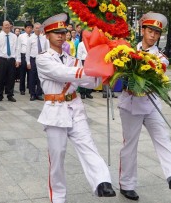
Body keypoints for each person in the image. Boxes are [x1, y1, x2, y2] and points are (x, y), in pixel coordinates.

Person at [36, 13, 115, 203]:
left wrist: (108, 72)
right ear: (47, 35)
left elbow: (88, 81)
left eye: (63, 32)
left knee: (88, 146)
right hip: (55, 111)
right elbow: (63, 74)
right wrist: (93, 71)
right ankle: (58, 198)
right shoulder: (43, 59)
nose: (61, 36)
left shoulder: (71, 58)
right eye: (56, 33)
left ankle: (102, 182)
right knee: (57, 158)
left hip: (75, 107)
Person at [118, 12, 171, 201]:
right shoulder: (127, 49)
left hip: (151, 105)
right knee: (129, 146)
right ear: (143, 30)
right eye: (150, 30)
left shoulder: (161, 57)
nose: (153, 35)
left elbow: (157, 69)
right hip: (130, 104)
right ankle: (127, 185)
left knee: (163, 139)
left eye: (157, 33)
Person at [0, 20, 20, 102]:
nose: (7, 26)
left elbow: (17, 49)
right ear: (2, 26)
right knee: (1, 78)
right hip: (2, 59)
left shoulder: (14, 36)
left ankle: (10, 95)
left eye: (8, 25)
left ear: (10, 26)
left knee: (11, 78)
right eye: (5, 25)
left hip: (11, 59)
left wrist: (17, 60)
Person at [26, 22, 46, 101]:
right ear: (33, 29)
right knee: (32, 77)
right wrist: (28, 62)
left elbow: (46, 49)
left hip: (42, 59)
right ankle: (32, 94)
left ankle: (39, 93)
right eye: (36, 28)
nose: (38, 29)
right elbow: (28, 51)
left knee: (40, 77)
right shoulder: (30, 38)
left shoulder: (44, 38)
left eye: (39, 28)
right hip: (33, 59)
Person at [17, 21, 32, 95]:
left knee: (30, 73)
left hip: (30, 56)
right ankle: (22, 89)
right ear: (25, 28)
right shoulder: (21, 36)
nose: (29, 29)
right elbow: (18, 48)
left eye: (30, 28)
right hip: (23, 55)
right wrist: (18, 59)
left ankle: (30, 88)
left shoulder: (33, 36)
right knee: (22, 74)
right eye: (28, 28)